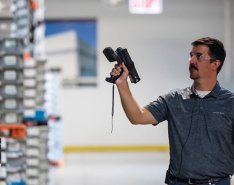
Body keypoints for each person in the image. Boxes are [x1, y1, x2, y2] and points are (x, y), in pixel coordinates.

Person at [110, 37, 234, 185]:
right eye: (191, 55)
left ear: (215, 63)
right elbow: (138, 117)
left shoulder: (230, 103)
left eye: (199, 56)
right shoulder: (174, 99)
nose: (191, 61)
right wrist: (122, 84)